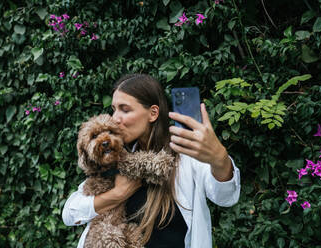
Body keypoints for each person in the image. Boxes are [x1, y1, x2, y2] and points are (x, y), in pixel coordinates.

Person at [62, 74, 241, 248]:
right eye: (114, 109)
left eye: (125, 109)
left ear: (153, 113)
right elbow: (70, 212)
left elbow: (226, 197)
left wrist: (219, 158)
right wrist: (117, 194)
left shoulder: (185, 155)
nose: (115, 118)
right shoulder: (116, 157)